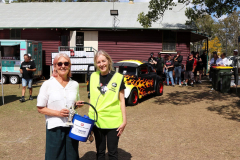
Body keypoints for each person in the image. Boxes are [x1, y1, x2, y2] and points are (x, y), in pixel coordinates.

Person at [37, 53, 84, 160]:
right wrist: (58, 113)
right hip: (55, 127)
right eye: (60, 63)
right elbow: (40, 108)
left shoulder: (75, 84)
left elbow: (73, 105)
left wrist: (76, 105)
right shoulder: (47, 84)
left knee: (72, 156)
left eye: (66, 63)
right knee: (54, 157)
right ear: (55, 66)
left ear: (69, 66)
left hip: (72, 127)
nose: (63, 66)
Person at [87, 50, 127, 160]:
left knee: (112, 152)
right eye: (98, 62)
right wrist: (89, 120)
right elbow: (91, 99)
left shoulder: (118, 77)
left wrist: (124, 121)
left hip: (113, 121)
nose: (101, 64)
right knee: (100, 152)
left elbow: (122, 100)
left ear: (108, 61)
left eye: (103, 61)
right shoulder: (92, 77)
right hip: (97, 121)